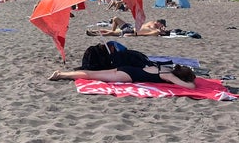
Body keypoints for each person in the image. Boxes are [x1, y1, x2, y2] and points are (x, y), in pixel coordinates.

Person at [48, 63, 196, 89]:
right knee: (92, 76)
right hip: (127, 75)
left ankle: (62, 73)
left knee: (93, 74)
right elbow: (189, 86)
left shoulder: (164, 68)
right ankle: (61, 75)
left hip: (127, 69)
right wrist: (190, 82)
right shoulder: (169, 76)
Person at [87, 18, 168, 37]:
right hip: (130, 27)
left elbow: (147, 34)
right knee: (115, 19)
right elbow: (153, 32)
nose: (162, 27)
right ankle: (94, 31)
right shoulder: (153, 25)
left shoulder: (156, 30)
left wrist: (133, 35)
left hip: (131, 30)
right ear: (159, 23)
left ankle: (95, 34)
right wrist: (161, 31)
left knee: (111, 33)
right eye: (162, 25)